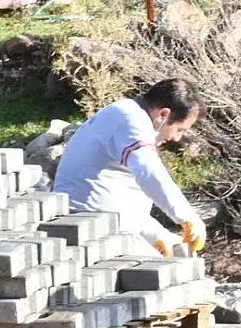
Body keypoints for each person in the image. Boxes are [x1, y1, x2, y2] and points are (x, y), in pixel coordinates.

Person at [53, 78, 208, 258]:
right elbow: (148, 172)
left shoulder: (127, 114)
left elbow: (122, 195)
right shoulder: (131, 120)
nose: (176, 138)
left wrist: (156, 233)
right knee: (165, 276)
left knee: (177, 261)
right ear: (163, 115)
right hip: (87, 227)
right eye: (179, 129)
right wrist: (187, 216)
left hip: (103, 221)